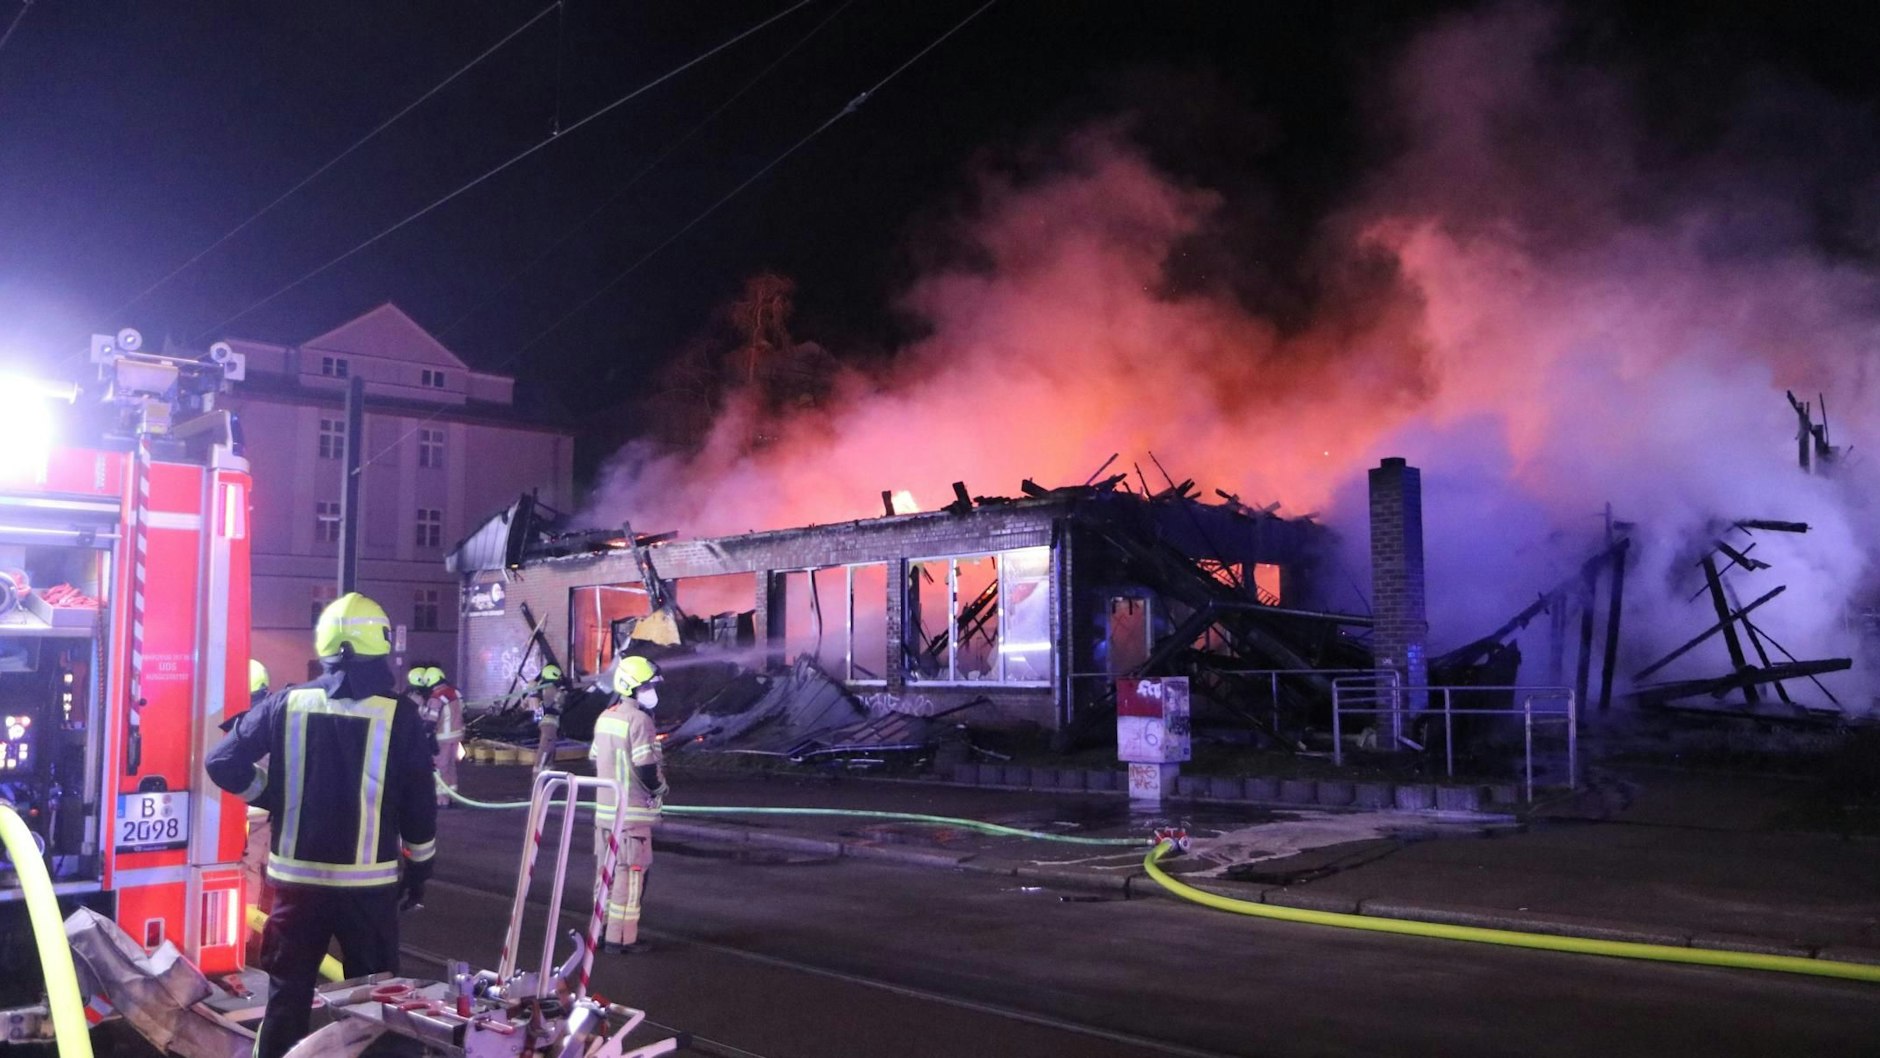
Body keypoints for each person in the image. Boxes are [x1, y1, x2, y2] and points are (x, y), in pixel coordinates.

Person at [207, 594, 438, 1058]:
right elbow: (419, 805)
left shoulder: (285, 704)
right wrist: (419, 870)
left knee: (285, 1002)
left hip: (297, 888)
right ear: (380, 645)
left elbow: (222, 762)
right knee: (374, 1009)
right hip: (369, 893)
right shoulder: (400, 715)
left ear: (325, 645)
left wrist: (269, 794)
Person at [590, 655, 666, 954]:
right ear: (633, 687)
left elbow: (597, 756)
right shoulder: (640, 720)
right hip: (632, 815)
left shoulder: (606, 717)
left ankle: (599, 931)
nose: (652, 690)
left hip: (605, 813)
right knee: (630, 878)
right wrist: (660, 788)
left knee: (605, 875)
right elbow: (646, 767)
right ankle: (621, 939)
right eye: (647, 685)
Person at [423, 666, 462, 807]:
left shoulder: (436, 698)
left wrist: (425, 735)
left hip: (442, 737)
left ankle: (441, 798)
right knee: (451, 766)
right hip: (457, 736)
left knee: (440, 767)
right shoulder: (455, 692)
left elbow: (431, 722)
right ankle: (453, 796)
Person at [528, 663, 567, 774]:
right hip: (549, 721)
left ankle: (548, 766)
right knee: (546, 745)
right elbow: (556, 702)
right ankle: (539, 768)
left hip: (550, 721)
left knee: (551, 744)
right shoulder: (549, 689)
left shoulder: (543, 688)